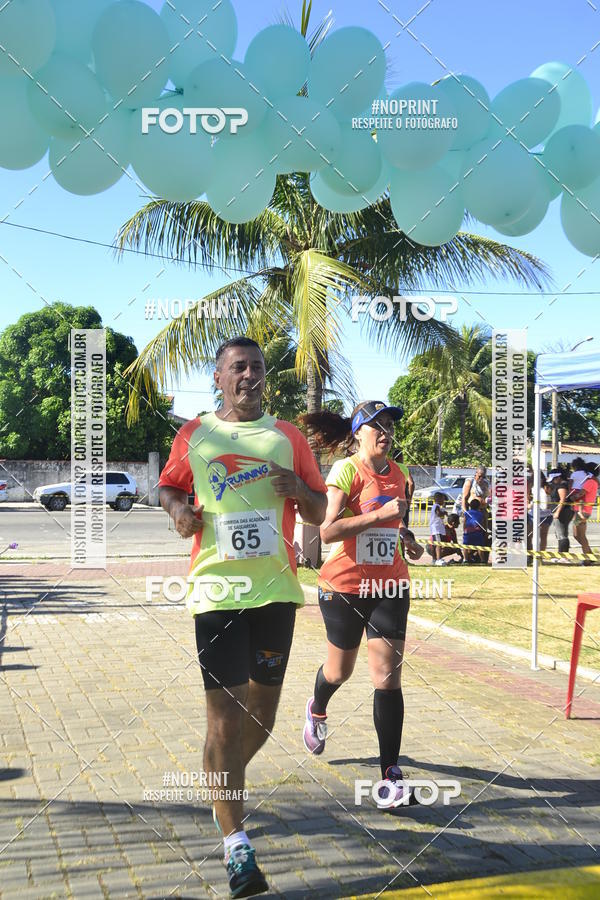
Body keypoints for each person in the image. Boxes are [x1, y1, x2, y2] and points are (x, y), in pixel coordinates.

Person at [158, 337, 327, 898]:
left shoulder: (289, 437)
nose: (249, 375)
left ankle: (219, 784)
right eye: (238, 367)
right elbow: (167, 488)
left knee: (261, 721)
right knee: (226, 726)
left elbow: (320, 507)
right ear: (219, 377)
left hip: (277, 593)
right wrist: (180, 510)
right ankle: (237, 848)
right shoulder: (196, 434)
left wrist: (299, 489)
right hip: (217, 591)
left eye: (256, 367)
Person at [300, 401, 423, 808]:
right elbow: (328, 530)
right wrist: (380, 516)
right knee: (339, 671)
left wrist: (407, 537)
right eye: (377, 425)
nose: (386, 431)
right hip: (344, 586)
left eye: (389, 425)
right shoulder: (347, 471)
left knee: (387, 677)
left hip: (389, 585)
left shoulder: (401, 475)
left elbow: (396, 520)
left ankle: (390, 775)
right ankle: (317, 708)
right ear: (358, 433)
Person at [573, 462, 599, 565]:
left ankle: (587, 560)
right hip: (579, 510)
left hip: (582, 511)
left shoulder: (590, 482)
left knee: (581, 536)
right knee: (576, 535)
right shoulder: (590, 481)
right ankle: (591, 555)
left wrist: (572, 497)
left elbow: (581, 494)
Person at [462, 466, 491, 531]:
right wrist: (466, 513)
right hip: (472, 513)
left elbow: (488, 497)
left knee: (483, 533)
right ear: (476, 474)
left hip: (483, 512)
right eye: (479, 476)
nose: (481, 479)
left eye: (483, 477)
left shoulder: (486, 483)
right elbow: (464, 498)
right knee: (472, 533)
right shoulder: (470, 482)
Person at [393, 448, 414, 527]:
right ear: (401, 457)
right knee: (403, 525)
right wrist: (409, 499)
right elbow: (411, 483)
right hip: (402, 498)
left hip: (391, 498)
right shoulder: (404, 467)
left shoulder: (389, 465)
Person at [463, 498, 487, 563]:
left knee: (465, 546)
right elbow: (482, 523)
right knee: (479, 546)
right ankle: (482, 560)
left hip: (468, 531)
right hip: (477, 532)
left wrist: (464, 530)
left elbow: (464, 522)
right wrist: (484, 531)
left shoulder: (467, 513)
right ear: (479, 506)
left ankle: (465, 559)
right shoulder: (480, 514)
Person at [430, 491, 448, 566]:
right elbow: (439, 514)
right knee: (438, 544)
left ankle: (434, 559)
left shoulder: (438, 507)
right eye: (443, 499)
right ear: (438, 499)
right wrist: (444, 512)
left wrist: (443, 509)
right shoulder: (436, 506)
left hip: (438, 528)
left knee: (436, 544)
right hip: (436, 528)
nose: (443, 501)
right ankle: (438, 559)